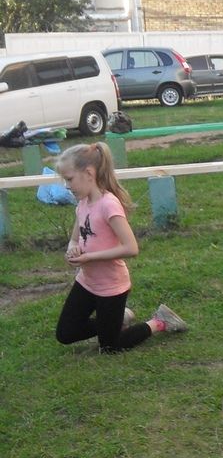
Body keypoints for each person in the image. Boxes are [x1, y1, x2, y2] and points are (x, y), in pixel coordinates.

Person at [54, 142, 187, 353]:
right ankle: (119, 318)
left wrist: (90, 258)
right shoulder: (82, 204)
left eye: (69, 179)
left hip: (111, 287)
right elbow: (75, 239)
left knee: (110, 347)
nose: (67, 186)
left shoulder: (109, 205)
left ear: (89, 173)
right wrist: (73, 249)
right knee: (65, 333)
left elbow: (131, 248)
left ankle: (159, 322)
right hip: (87, 283)